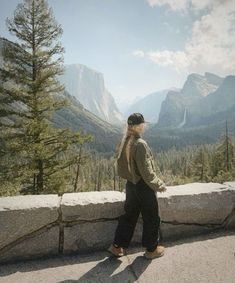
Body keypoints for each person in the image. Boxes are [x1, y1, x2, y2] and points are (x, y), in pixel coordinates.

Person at [108, 112, 167, 260]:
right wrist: (159, 185)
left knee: (129, 216)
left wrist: (131, 179)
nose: (144, 126)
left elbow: (121, 167)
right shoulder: (140, 144)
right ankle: (151, 250)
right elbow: (146, 171)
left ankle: (117, 246)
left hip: (131, 186)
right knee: (152, 217)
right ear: (139, 126)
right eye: (143, 124)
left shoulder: (124, 140)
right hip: (143, 187)